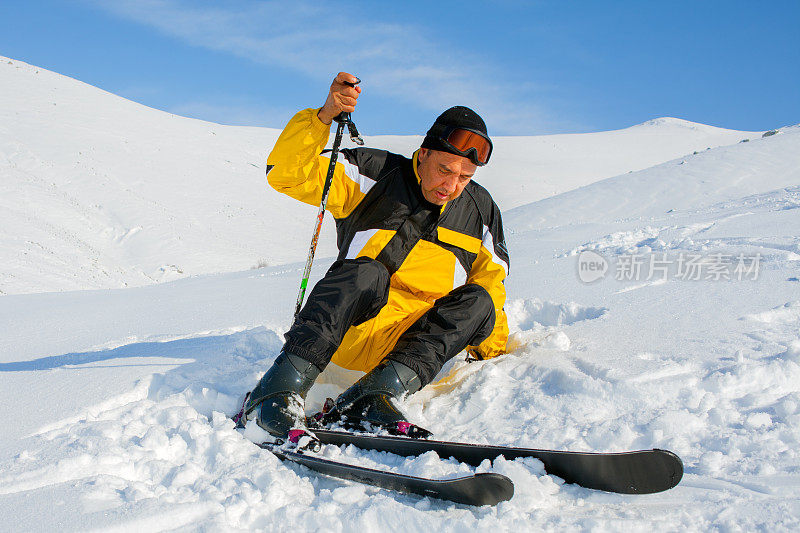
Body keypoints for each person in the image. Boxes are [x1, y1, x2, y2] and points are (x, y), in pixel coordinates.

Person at [240, 72, 510, 443]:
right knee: (367, 273)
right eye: (445, 170)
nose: (450, 185)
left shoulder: (481, 211)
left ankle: (371, 399)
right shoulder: (373, 174)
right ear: (425, 152)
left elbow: (491, 286)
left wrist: (491, 351)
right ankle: (275, 392)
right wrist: (323, 117)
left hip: (410, 356)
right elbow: (287, 173)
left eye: (464, 176)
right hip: (345, 339)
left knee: (479, 301)